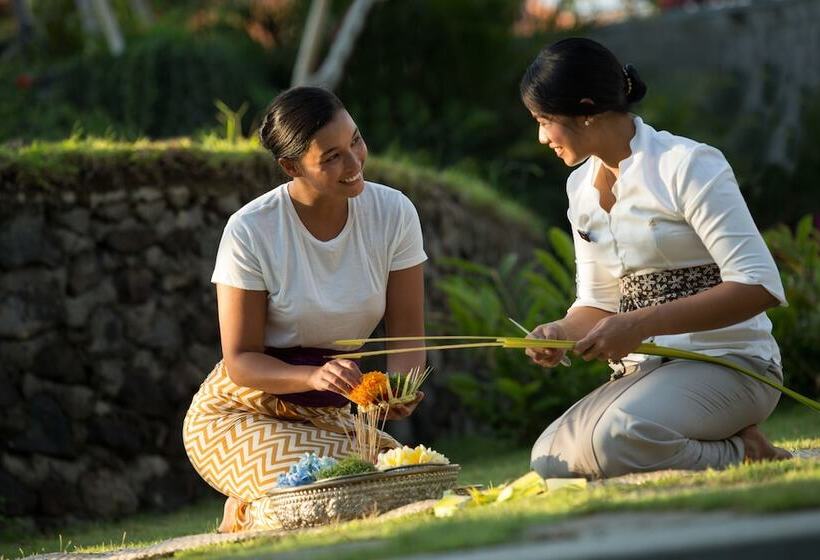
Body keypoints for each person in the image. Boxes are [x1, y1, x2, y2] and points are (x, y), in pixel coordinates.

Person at [519, 38, 792, 480]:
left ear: (586, 109)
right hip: (644, 373)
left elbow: (757, 286)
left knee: (615, 440)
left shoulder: (688, 165)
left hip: (730, 362)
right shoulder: (580, 191)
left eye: (544, 120)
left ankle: (745, 453)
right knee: (550, 459)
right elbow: (598, 303)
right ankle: (730, 444)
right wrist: (560, 331)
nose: (541, 136)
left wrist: (641, 324)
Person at [182, 86, 427, 532]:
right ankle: (252, 507)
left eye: (355, 140)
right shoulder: (251, 230)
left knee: (420, 482)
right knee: (332, 494)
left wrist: (400, 386)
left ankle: (263, 500)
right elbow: (240, 360)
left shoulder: (394, 213)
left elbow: (408, 336)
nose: (353, 164)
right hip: (243, 409)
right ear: (291, 166)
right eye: (331, 157)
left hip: (331, 413)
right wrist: (311, 376)